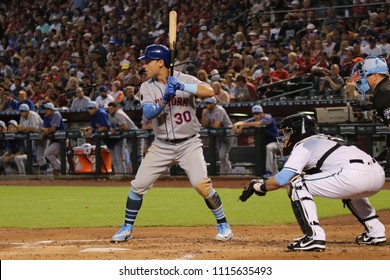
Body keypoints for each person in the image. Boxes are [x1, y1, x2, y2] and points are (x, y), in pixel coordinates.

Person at [111, 44, 233, 243]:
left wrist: (182, 87)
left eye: (148, 61)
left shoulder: (185, 79)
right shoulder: (147, 86)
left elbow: (209, 91)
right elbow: (149, 113)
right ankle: (126, 227)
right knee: (138, 185)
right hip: (161, 145)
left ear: (160, 63)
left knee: (201, 185)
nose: (144, 65)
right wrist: (165, 99)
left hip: (189, 144)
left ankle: (224, 225)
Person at [239, 113, 386, 252]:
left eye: (287, 132)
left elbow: (283, 179)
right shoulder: (325, 139)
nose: (284, 137)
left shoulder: (303, 145)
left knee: (297, 184)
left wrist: (260, 186)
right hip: (377, 174)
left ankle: (314, 236)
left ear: (298, 131)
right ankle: (376, 231)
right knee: (351, 191)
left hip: (352, 175)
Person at [231, 105, 279, 178]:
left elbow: (258, 124)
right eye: (254, 114)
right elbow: (242, 122)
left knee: (268, 148)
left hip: (278, 142)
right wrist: (235, 124)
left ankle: (269, 172)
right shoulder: (254, 119)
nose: (256, 116)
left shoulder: (268, 117)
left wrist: (243, 125)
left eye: (258, 113)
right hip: (269, 143)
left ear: (262, 113)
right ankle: (275, 174)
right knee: (271, 156)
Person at [352, 55, 390, 127]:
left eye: (364, 75)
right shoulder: (385, 86)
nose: (361, 79)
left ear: (375, 76)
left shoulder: (384, 93)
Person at [201, 96, 234, 175]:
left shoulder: (219, 110)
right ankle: (226, 174)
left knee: (222, 156)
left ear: (214, 104)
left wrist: (209, 123)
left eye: (208, 103)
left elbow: (216, 125)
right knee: (223, 156)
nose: (206, 105)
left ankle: (224, 174)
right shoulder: (207, 111)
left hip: (228, 134)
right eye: (206, 103)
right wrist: (203, 115)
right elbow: (204, 125)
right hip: (219, 135)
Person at [107, 101, 140, 174]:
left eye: (111, 109)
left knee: (138, 156)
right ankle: (132, 175)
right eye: (109, 109)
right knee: (132, 156)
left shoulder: (118, 113)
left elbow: (125, 127)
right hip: (130, 136)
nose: (110, 110)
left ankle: (141, 175)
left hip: (136, 135)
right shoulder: (113, 114)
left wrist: (116, 130)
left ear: (116, 108)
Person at [17, 103, 48, 172]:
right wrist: (20, 128)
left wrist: (24, 129)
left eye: (23, 111)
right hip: (33, 139)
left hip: (43, 137)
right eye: (20, 111)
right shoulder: (22, 117)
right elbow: (20, 127)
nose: (21, 113)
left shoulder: (33, 115)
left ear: (27, 111)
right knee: (37, 156)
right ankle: (43, 171)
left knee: (42, 155)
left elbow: (35, 129)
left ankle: (47, 170)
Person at [40, 102, 66, 173]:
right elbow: (42, 128)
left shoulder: (56, 115)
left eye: (48, 109)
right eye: (45, 109)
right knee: (60, 157)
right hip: (55, 140)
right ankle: (64, 169)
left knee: (47, 153)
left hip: (61, 140)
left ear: (52, 110)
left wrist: (45, 131)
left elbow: (53, 129)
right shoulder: (46, 117)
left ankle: (59, 167)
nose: (46, 111)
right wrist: (43, 131)